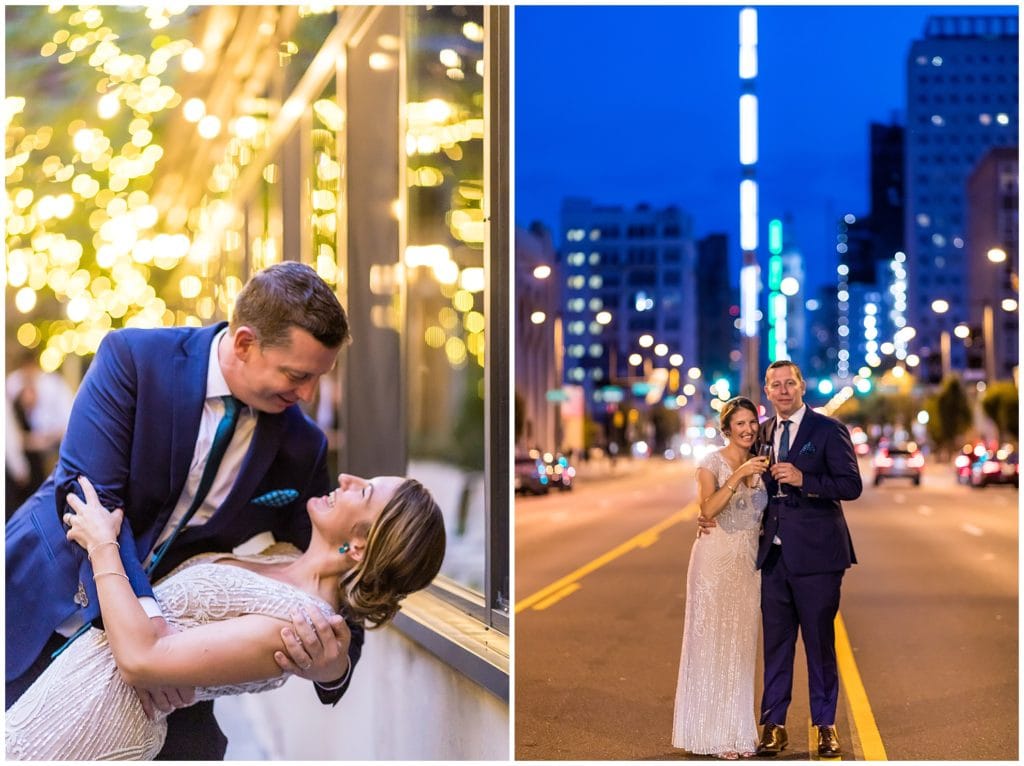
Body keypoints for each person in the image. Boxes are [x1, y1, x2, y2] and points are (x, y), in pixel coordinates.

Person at [5, 262, 360, 760]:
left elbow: (341, 561)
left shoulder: (302, 446)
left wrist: (335, 666)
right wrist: (152, 636)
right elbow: (89, 496)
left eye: (318, 379)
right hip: (40, 604)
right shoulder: (133, 358)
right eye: (296, 375)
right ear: (243, 343)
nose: (307, 396)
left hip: (170, 658)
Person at [6, 471, 446, 760]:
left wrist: (102, 543)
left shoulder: (297, 627)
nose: (346, 478)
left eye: (363, 491)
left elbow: (144, 658)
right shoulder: (281, 557)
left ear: (361, 546)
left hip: (90, 729)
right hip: (66, 695)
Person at [702, 361, 859, 758]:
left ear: (802, 387)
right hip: (772, 558)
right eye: (776, 385)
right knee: (777, 645)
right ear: (767, 393)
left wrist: (806, 480)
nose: (784, 390)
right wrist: (708, 515)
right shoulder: (763, 434)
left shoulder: (828, 430)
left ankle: (825, 726)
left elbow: (851, 485)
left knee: (820, 644)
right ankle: (773, 724)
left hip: (819, 556)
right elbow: (737, 485)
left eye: (790, 383)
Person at [672, 397, 768, 759]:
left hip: (747, 563)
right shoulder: (711, 462)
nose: (747, 429)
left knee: (741, 648)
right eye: (739, 424)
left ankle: (739, 732)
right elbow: (707, 508)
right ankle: (709, 734)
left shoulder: (763, 462)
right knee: (711, 641)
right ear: (727, 429)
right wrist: (739, 476)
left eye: (751, 423)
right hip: (714, 561)